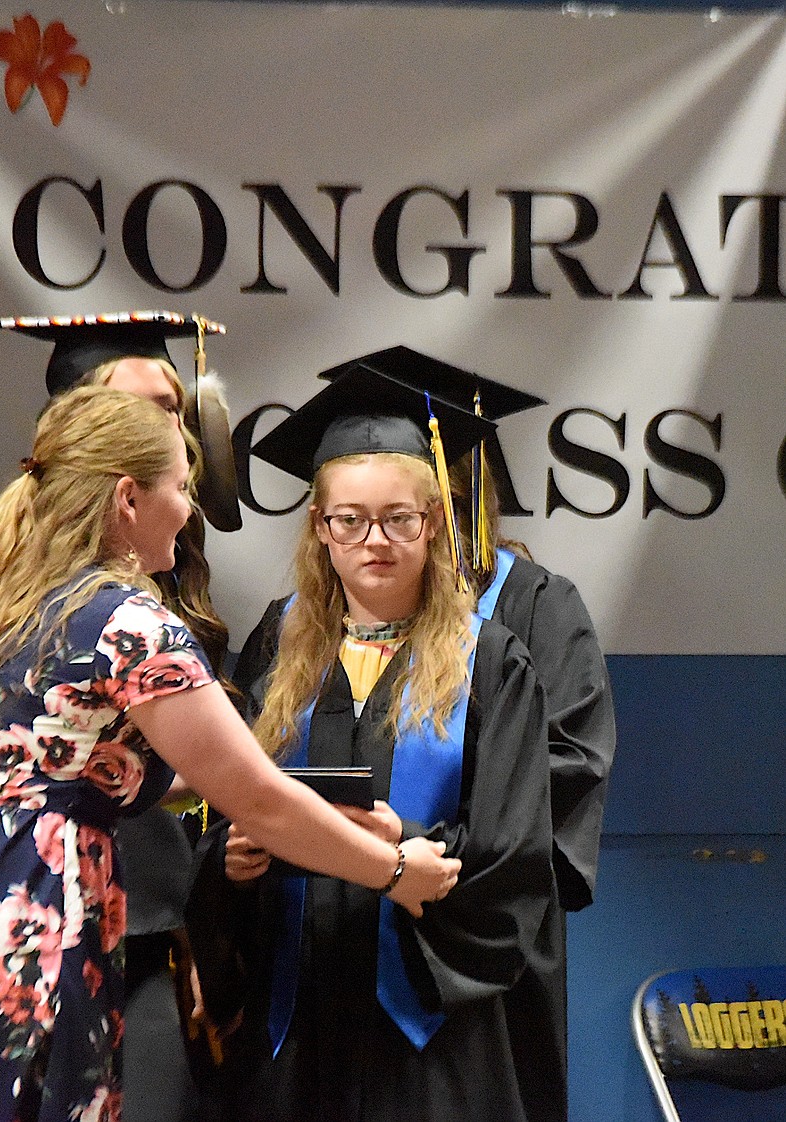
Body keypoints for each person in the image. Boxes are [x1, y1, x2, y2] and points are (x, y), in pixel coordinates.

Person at [0, 384, 461, 1122]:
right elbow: (251, 796)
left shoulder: (1, 599)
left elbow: (92, 762)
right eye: (182, 489)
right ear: (128, 499)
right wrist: (394, 871)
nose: (190, 512)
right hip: (16, 932)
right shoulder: (129, 624)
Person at [187, 364, 555, 1122]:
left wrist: (410, 845)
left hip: (428, 1033)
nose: (374, 541)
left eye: (399, 519)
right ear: (320, 529)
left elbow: (516, 857)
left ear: (434, 522)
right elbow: (227, 798)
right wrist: (230, 862)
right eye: (348, 520)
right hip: (294, 1018)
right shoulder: (277, 646)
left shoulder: (491, 662)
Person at [317, 344, 617, 1122]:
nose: (384, 535)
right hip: (331, 946)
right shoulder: (303, 635)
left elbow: (567, 768)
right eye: (358, 515)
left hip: (474, 938)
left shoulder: (535, 610)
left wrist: (439, 840)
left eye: (419, 503)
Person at [3, 310, 241, 1121]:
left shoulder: (175, 573)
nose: (170, 427)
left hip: (155, 939)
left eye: (173, 408)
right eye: (143, 410)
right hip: (42, 928)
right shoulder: (20, 589)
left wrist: (201, 938)